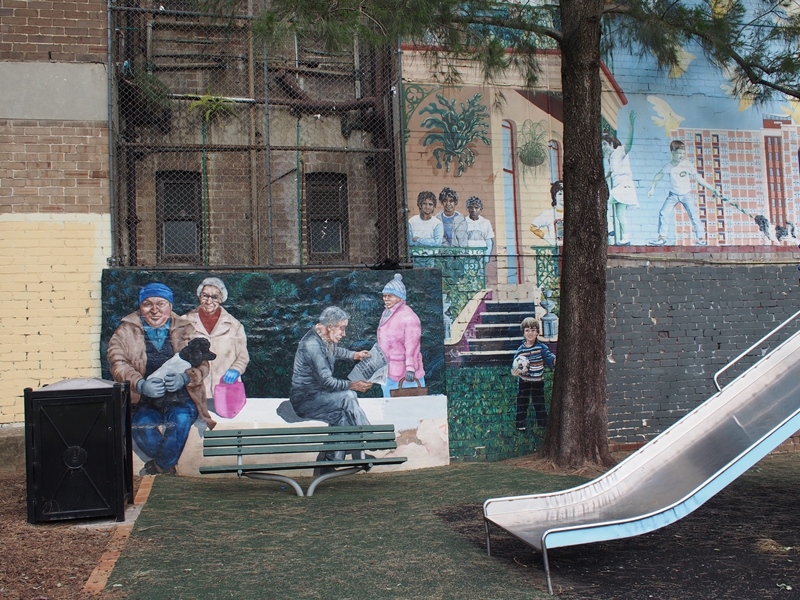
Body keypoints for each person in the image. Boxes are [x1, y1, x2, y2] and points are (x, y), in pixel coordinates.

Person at [107, 283, 216, 475]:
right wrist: (141, 384)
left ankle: (159, 467)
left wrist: (185, 378)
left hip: (182, 398)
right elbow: (117, 362)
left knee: (181, 420)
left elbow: (204, 364)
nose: (154, 310)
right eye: (148, 304)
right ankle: (167, 467)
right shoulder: (125, 331)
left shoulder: (186, 329)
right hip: (147, 400)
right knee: (140, 425)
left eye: (161, 304)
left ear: (170, 306)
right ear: (140, 307)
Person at [290, 307, 374, 466]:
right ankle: (370, 438)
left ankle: (333, 460)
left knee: (342, 416)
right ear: (330, 326)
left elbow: (335, 351)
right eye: (342, 328)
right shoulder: (312, 345)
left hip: (318, 397)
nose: (344, 333)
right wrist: (353, 385)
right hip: (305, 401)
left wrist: (355, 355)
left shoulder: (322, 338)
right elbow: (327, 382)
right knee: (348, 396)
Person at [183, 277, 250, 400]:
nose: (209, 301)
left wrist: (236, 369)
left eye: (214, 297)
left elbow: (242, 357)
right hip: (194, 390)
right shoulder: (184, 322)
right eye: (205, 296)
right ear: (199, 296)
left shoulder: (235, 325)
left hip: (225, 389)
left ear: (221, 299)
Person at [647, 140, 718, 246]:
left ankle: (701, 239)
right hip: (673, 195)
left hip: (686, 195)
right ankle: (662, 238)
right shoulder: (669, 166)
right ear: (672, 152)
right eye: (679, 153)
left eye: (683, 153)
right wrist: (652, 188)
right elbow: (658, 175)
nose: (682, 156)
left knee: (693, 215)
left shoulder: (687, 164)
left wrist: (712, 189)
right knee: (663, 213)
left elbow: (698, 178)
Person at [376, 274, 425, 397]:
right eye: (384, 296)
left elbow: (412, 345)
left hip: (405, 376)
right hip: (388, 373)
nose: (386, 299)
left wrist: (410, 368)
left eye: (390, 296)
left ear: (399, 297)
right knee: (388, 405)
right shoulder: (386, 313)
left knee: (408, 406)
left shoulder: (409, 317)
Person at [511, 317, 556, 431]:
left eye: (533, 330)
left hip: (537, 381)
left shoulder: (541, 348)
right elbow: (515, 364)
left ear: (537, 332)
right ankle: (520, 424)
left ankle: (543, 424)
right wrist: (514, 371)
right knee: (522, 402)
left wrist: (554, 360)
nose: (530, 333)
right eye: (527, 330)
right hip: (524, 381)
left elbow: (549, 357)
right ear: (523, 332)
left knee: (539, 402)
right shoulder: (520, 351)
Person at [602, 128, 639, 246]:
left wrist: (631, 126)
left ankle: (609, 228)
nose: (603, 147)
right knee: (620, 214)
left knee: (603, 202)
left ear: (611, 143)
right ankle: (626, 238)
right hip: (620, 187)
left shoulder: (620, 151)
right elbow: (610, 172)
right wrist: (603, 178)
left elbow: (629, 143)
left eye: (604, 144)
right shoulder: (611, 157)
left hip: (624, 187)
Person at [530, 181, 564, 246]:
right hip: (556, 249)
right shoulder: (549, 213)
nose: (563, 197)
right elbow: (533, 227)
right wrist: (549, 240)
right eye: (560, 194)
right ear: (555, 196)